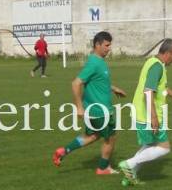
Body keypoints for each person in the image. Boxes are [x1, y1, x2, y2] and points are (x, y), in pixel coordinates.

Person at [53, 31, 127, 175]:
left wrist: (114, 88)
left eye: (110, 45)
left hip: (94, 110)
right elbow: (76, 83)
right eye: (106, 45)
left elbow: (97, 81)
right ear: (97, 45)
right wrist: (79, 107)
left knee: (93, 135)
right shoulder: (94, 63)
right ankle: (103, 168)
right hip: (101, 111)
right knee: (111, 138)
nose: (109, 48)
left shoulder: (98, 62)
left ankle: (63, 151)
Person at [118, 39, 172, 185]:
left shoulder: (153, 62)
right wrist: (154, 117)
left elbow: (161, 86)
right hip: (147, 115)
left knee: (150, 146)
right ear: (167, 53)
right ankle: (129, 164)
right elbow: (148, 91)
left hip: (141, 114)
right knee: (164, 148)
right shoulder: (157, 67)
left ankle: (129, 176)